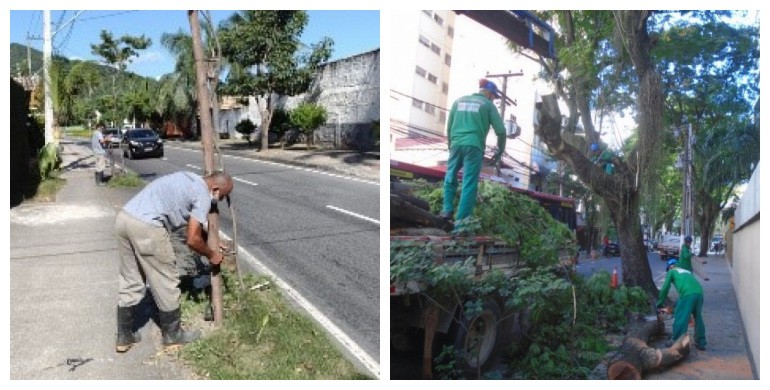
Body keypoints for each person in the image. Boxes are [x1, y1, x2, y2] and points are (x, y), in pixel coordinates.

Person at [113, 170, 234, 352]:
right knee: (166, 280)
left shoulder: (190, 178)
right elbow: (192, 239)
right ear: (215, 188)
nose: (220, 200)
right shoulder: (203, 194)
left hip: (124, 219)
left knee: (131, 278)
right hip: (147, 227)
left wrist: (212, 240)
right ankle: (173, 335)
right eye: (222, 196)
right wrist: (212, 255)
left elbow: (192, 227)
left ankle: (124, 336)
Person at [440, 78, 507, 229]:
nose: (493, 99)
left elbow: (449, 127)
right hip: (474, 146)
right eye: (494, 96)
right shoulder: (488, 105)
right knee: (469, 183)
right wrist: (500, 150)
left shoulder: (458, 102)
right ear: (489, 93)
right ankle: (461, 224)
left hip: (456, 143)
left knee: (450, 176)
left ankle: (446, 210)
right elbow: (501, 131)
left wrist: (451, 146)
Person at [656, 259, 706, 350]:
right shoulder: (686, 271)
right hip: (699, 293)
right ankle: (701, 342)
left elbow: (665, 288)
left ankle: (675, 340)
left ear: (670, 267)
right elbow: (689, 285)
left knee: (681, 317)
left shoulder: (672, 271)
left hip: (687, 294)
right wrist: (675, 305)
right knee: (698, 317)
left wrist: (660, 303)